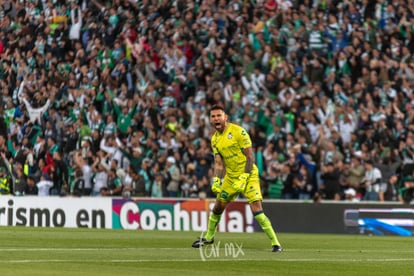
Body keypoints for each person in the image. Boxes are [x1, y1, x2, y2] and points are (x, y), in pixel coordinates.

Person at [191, 105, 282, 253]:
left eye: (218, 115)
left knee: (256, 208)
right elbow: (219, 163)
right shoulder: (214, 139)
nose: (216, 119)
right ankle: (209, 237)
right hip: (231, 177)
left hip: (249, 174)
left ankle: (276, 243)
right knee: (218, 206)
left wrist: (244, 177)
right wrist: (216, 180)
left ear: (225, 117)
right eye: (213, 116)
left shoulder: (239, 132)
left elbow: (250, 157)